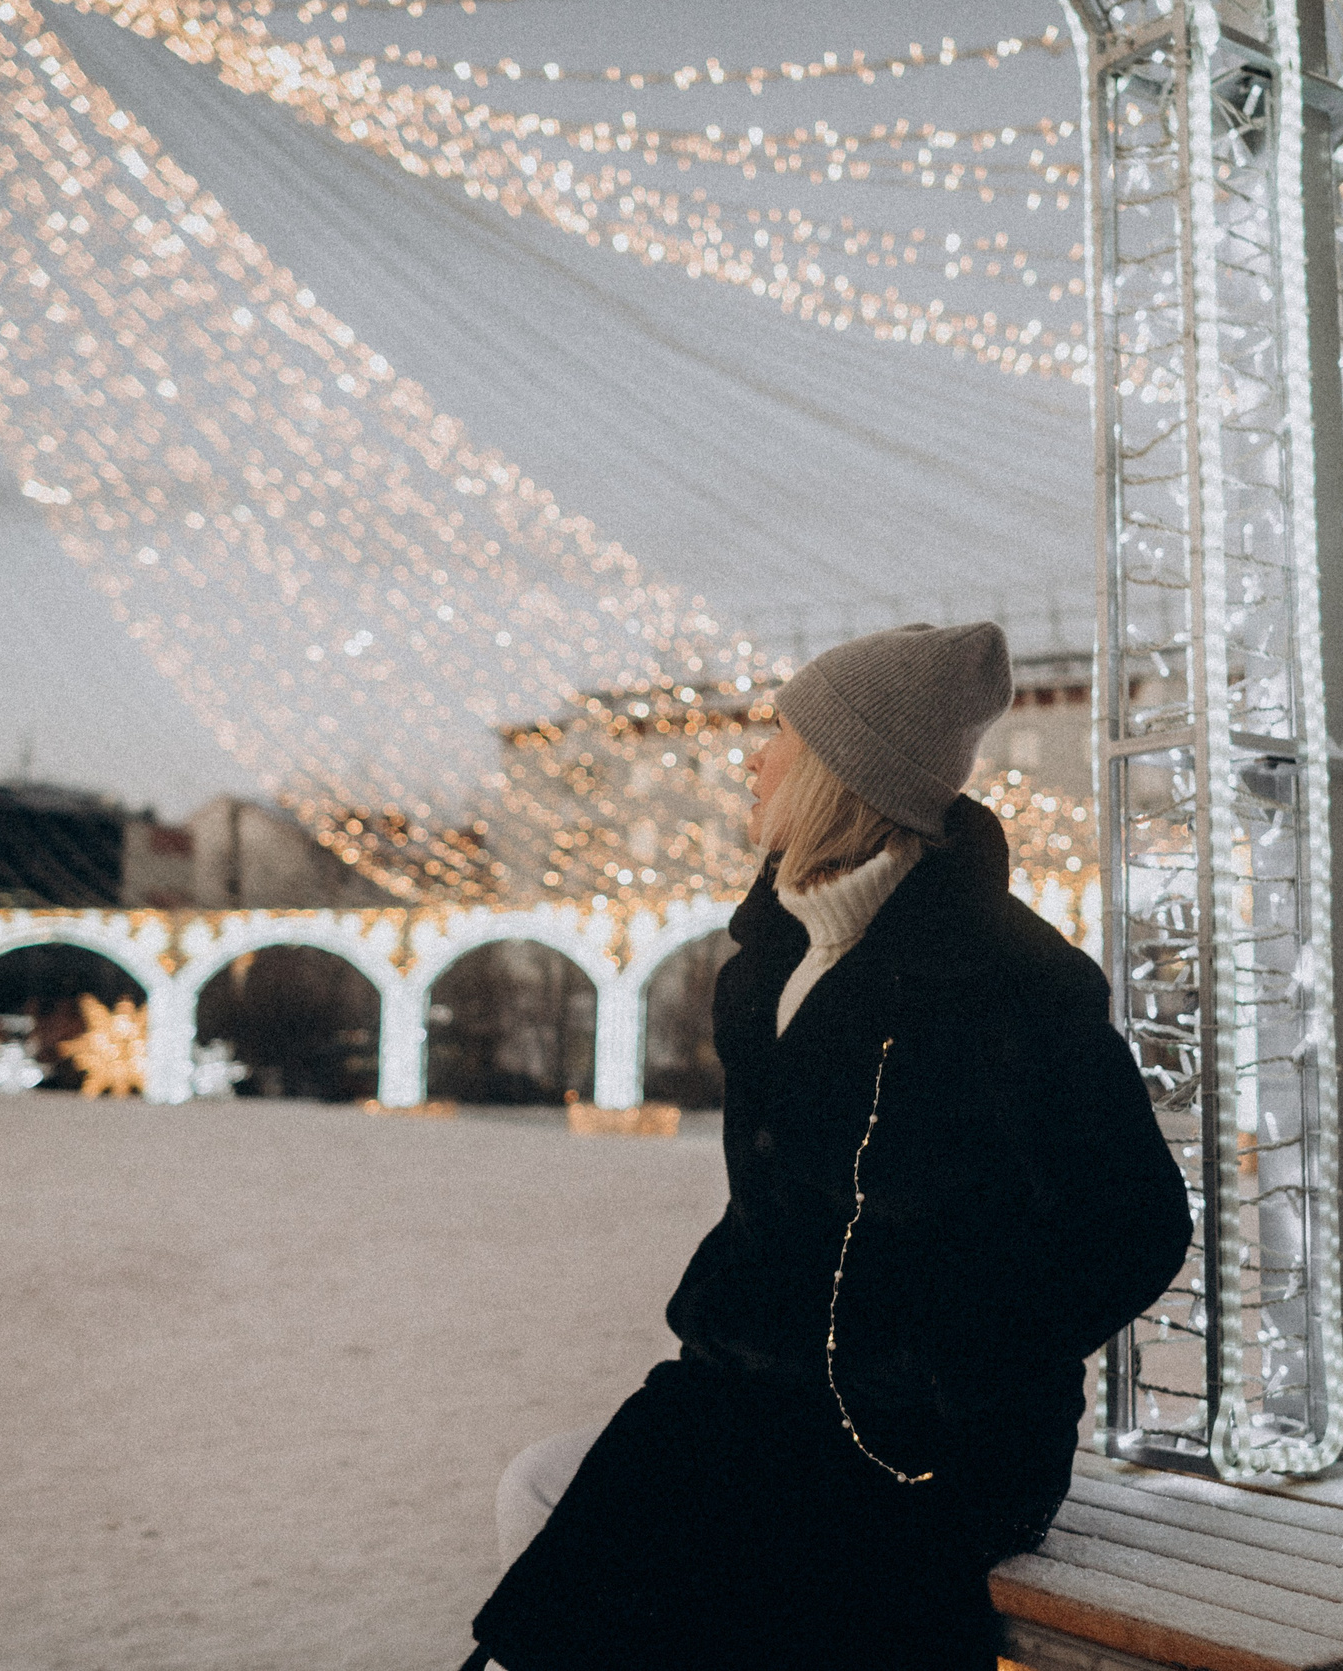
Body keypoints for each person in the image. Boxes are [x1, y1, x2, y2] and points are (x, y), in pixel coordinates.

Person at [463, 622, 1192, 1671]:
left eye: (780, 739)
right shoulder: (765, 965)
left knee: (663, 1564)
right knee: (544, 1491)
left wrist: (951, 1360)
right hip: (762, 1405)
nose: (753, 762)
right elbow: (768, 1219)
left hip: (938, 1446)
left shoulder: (1014, 979)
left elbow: (1138, 1222)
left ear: (842, 775)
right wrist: (722, 1340)